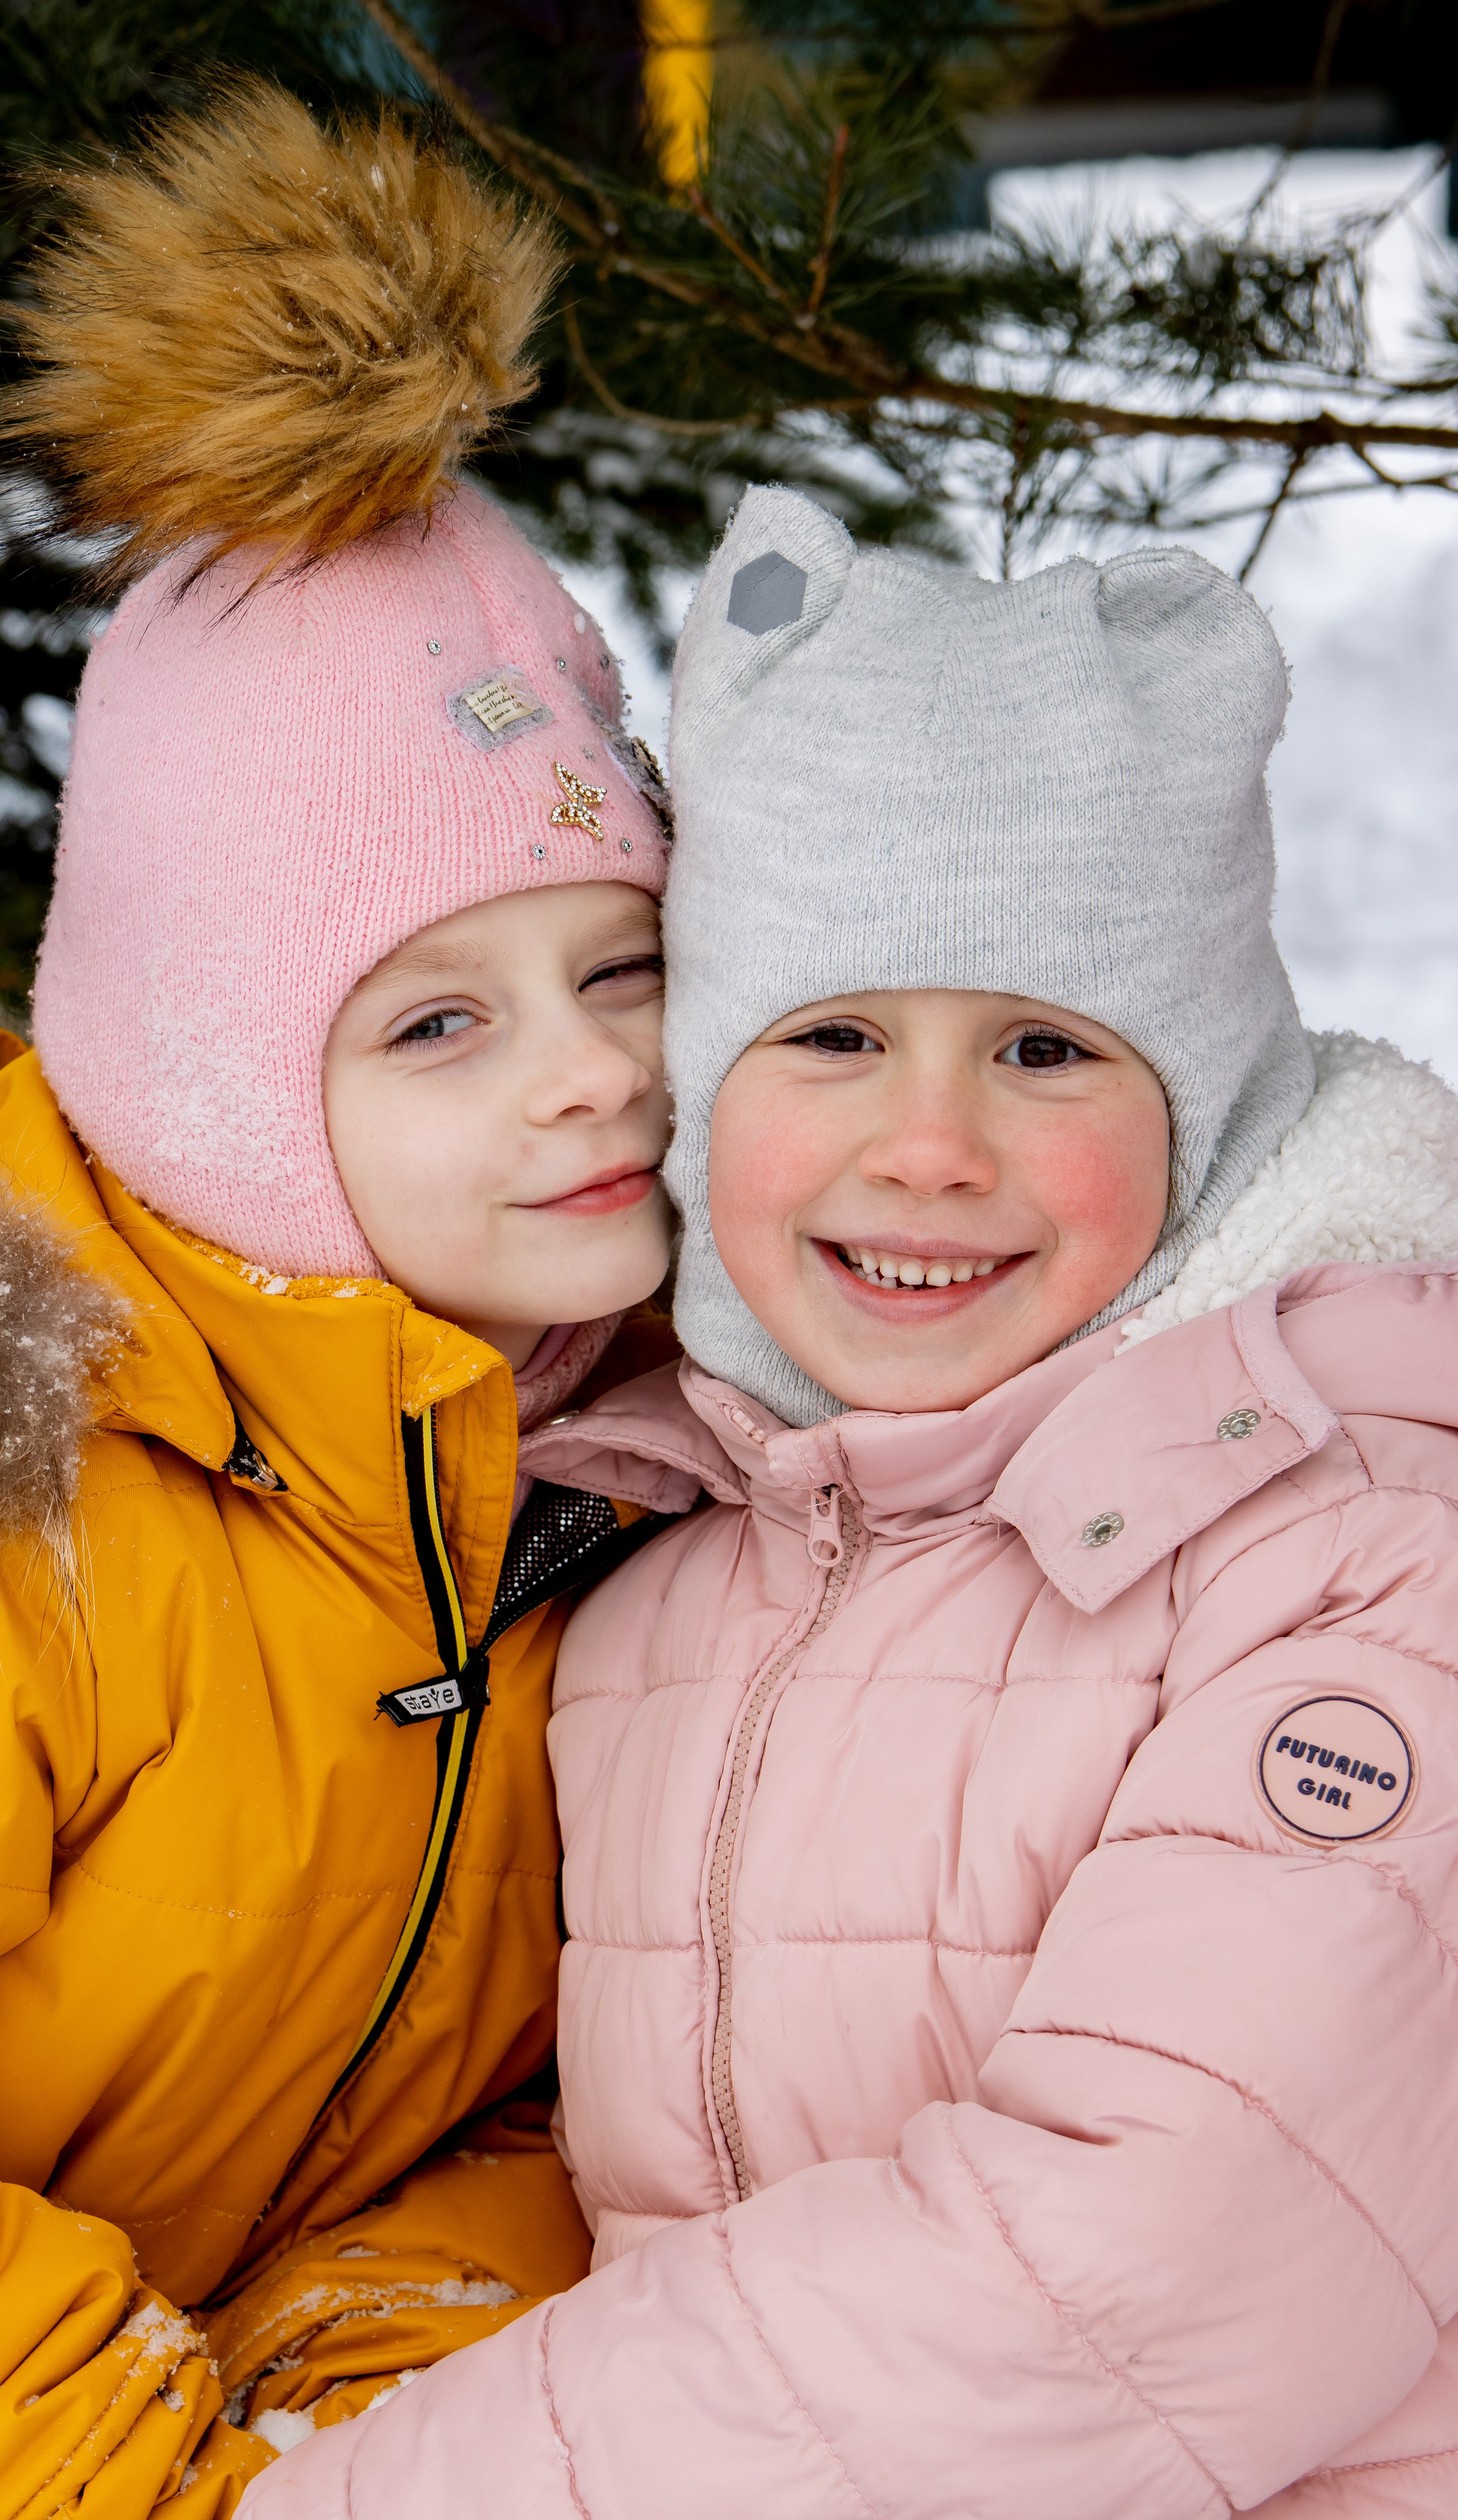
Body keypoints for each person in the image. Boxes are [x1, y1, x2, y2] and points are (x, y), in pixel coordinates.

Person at [249, 484, 1458, 2520]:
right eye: (829, 1034)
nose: (926, 1146)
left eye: (1049, 1051)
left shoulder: (1348, 1568)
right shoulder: (653, 1576)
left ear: (1214, 1100)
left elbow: (1131, 2264)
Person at [0, 84, 676, 2515]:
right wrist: (154, 2485)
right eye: (439, 1019)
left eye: (629, 964)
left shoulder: (622, 1450)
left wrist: (380, 2391)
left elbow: (526, 2080)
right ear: (216, 1080)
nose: (596, 1079)